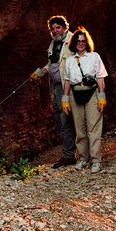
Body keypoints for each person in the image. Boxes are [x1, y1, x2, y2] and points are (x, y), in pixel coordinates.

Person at [28, 14, 79, 166]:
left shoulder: (73, 40)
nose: (55, 31)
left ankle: (70, 155)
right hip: (56, 87)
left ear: (65, 28)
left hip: (69, 87)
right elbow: (53, 63)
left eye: (58, 28)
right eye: (52, 29)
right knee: (59, 120)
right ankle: (69, 153)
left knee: (67, 121)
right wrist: (40, 72)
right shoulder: (54, 43)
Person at [63, 27, 109, 170]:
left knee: (93, 128)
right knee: (80, 129)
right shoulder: (70, 60)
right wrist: (65, 98)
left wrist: (101, 95)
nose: (81, 43)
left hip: (92, 92)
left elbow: (100, 76)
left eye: (83, 41)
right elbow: (67, 80)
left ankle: (96, 160)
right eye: (78, 41)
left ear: (87, 42)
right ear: (74, 43)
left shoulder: (94, 56)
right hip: (75, 92)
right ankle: (83, 158)